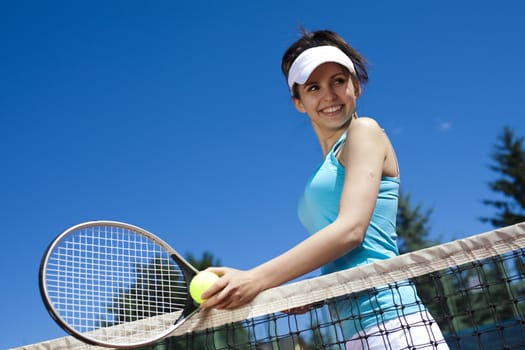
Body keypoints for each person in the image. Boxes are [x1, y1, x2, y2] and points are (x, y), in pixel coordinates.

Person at [201, 29, 449, 349]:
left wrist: (255, 279)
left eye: (338, 81)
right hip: (349, 332)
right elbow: (355, 254)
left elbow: (352, 231)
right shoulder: (324, 168)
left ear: (355, 86)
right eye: (314, 87)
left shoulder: (365, 131)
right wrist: (315, 291)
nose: (329, 95)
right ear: (298, 102)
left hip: (394, 322)